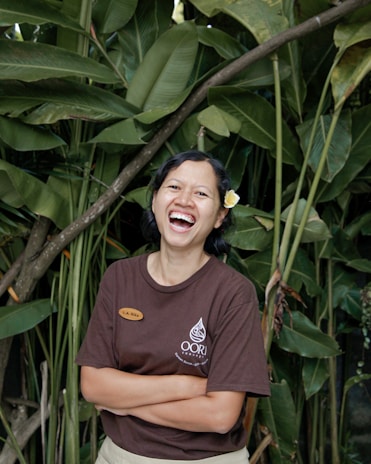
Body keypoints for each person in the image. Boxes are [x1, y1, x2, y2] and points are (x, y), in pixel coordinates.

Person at [76, 150, 270, 464]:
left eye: (202, 193)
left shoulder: (234, 293)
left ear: (220, 215)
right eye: (174, 187)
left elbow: (220, 415)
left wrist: (125, 403)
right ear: (155, 200)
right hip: (118, 457)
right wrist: (186, 386)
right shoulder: (119, 278)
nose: (184, 200)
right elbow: (94, 385)